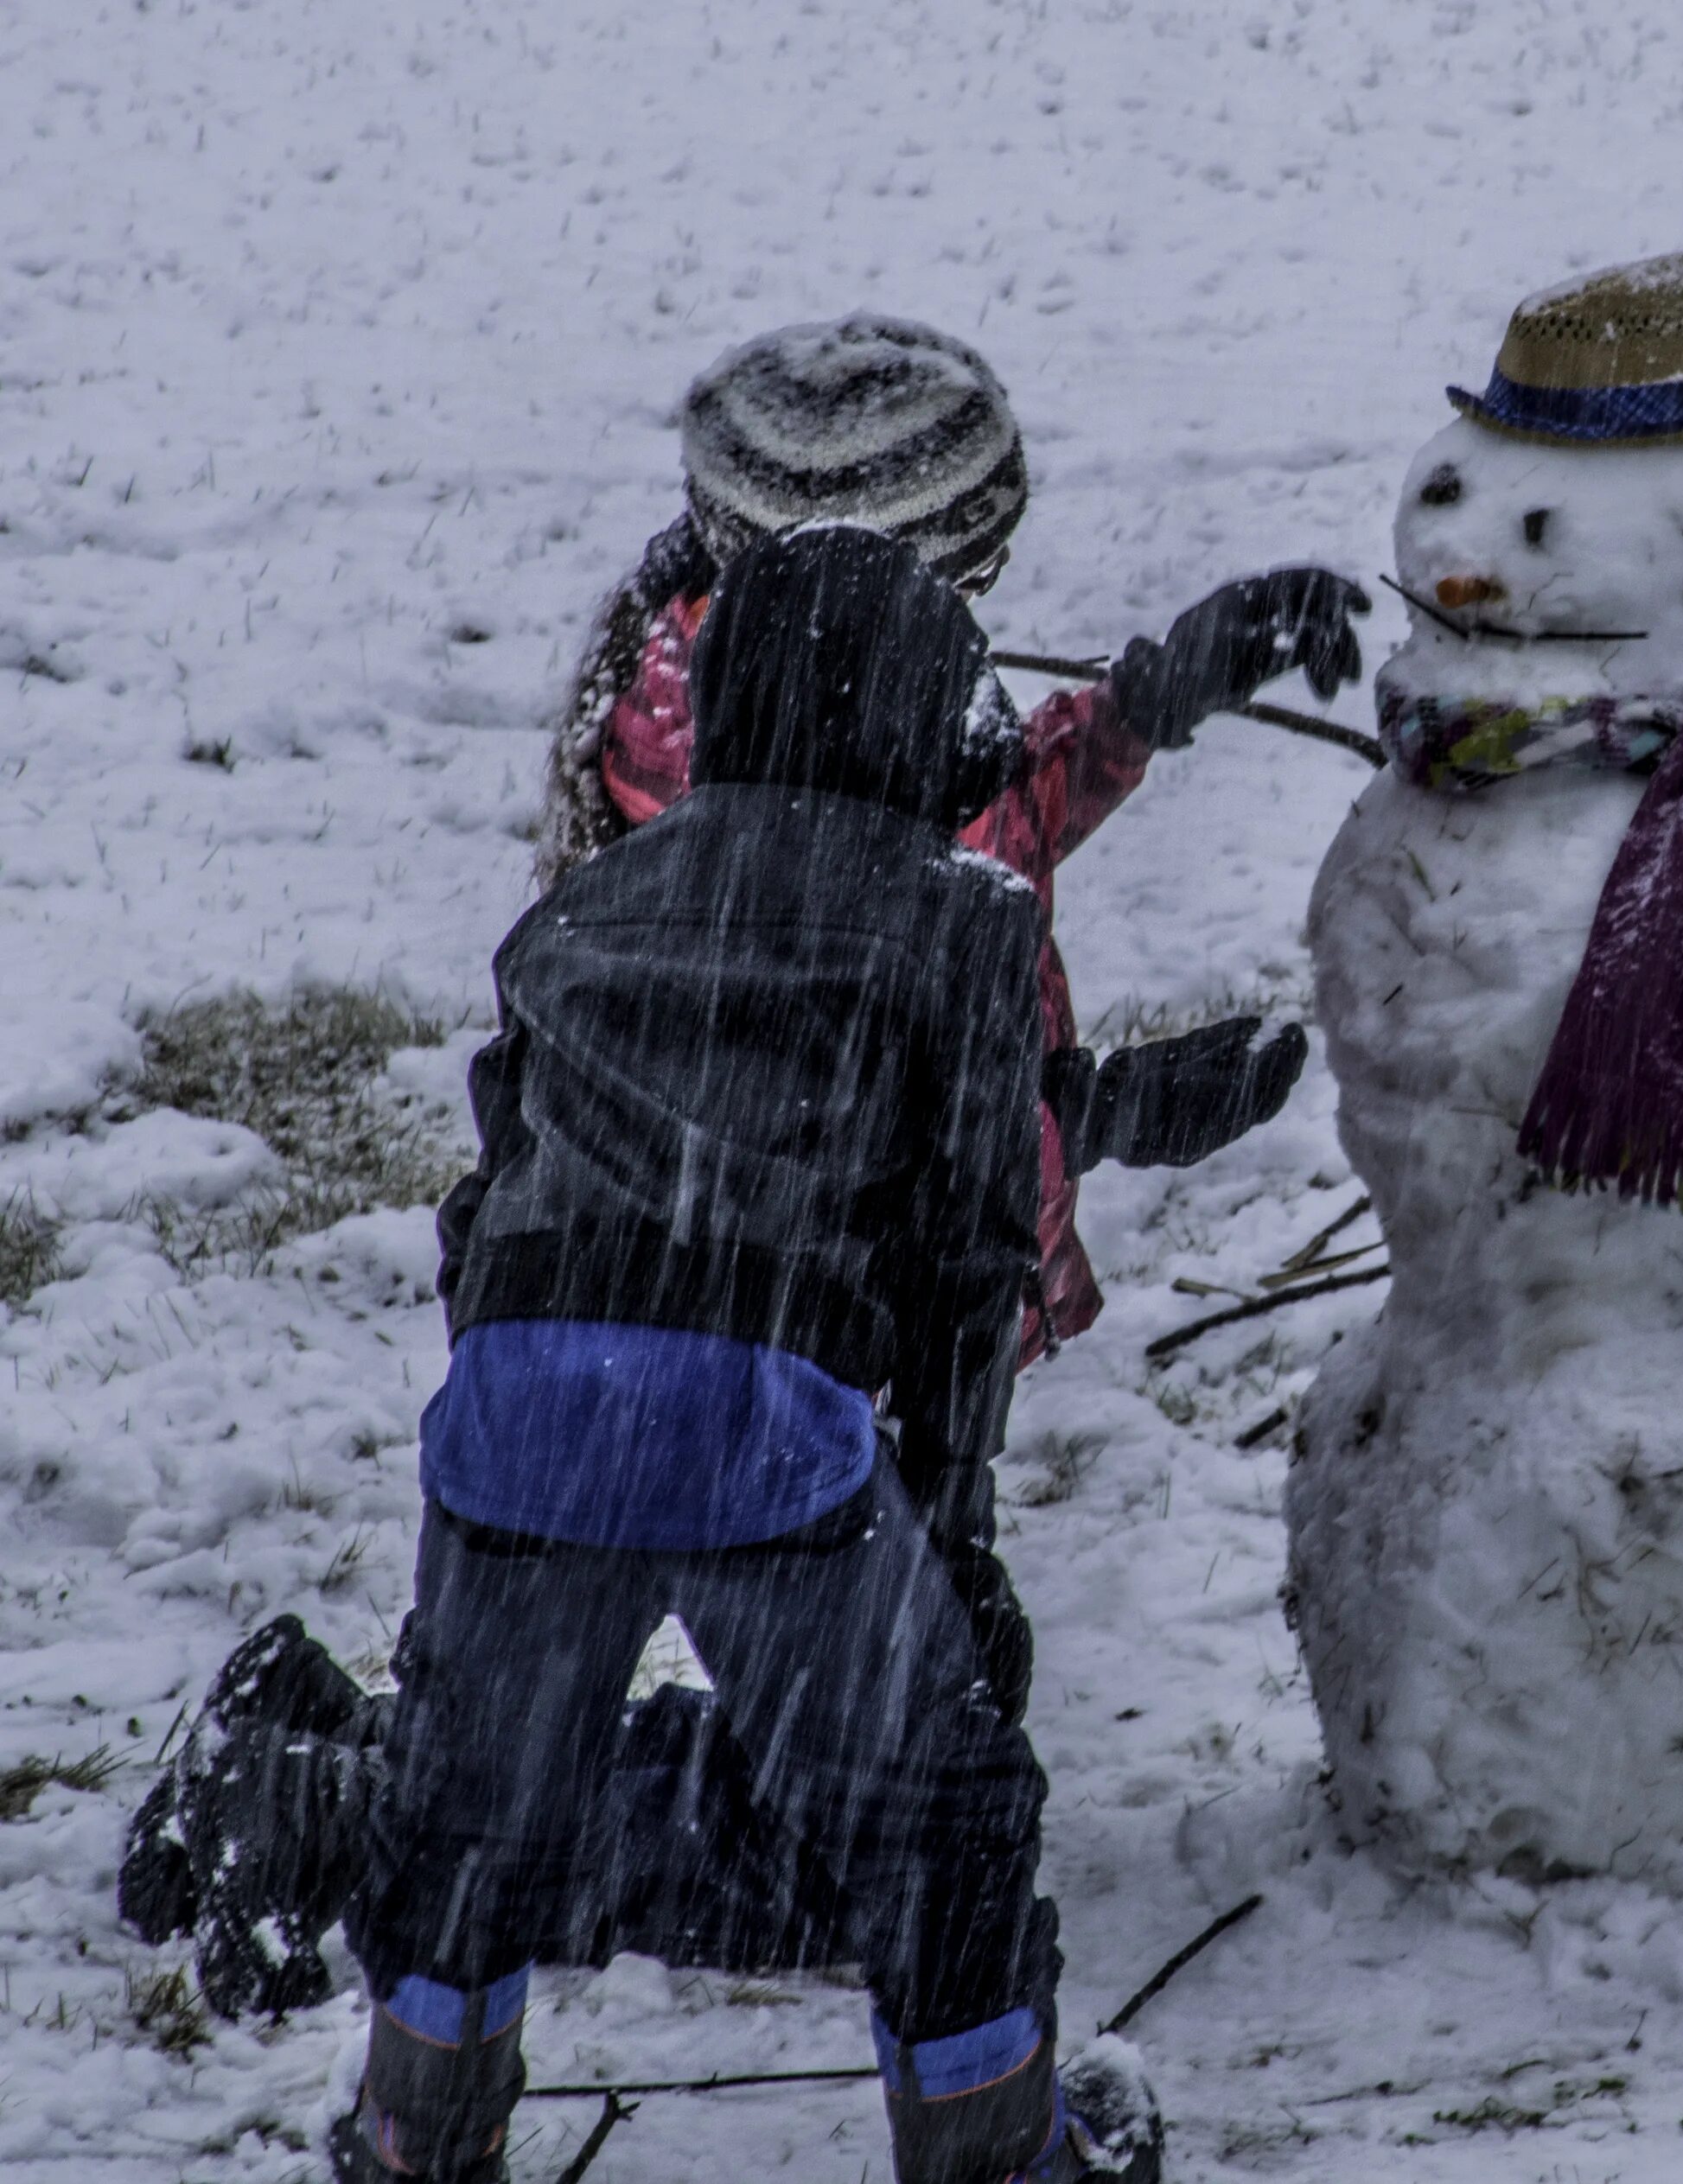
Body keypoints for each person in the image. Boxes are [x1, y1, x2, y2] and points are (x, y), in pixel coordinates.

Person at [335, 525, 1152, 2184]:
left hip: (514, 1397)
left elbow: (489, 1198)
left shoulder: (587, 906)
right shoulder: (960, 916)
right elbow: (966, 1250)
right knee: (940, 1807)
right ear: (926, 715)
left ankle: (419, 2133)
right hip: (755, 1405)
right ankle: (1002, 2153)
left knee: (471, 1801)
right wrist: (954, 1525)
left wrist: (522, 1416)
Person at [540, 311, 1365, 1364]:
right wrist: (1100, 1111)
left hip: (868, 1319)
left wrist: (1148, 704)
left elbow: (989, 829)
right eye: (965, 583)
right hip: (814, 1345)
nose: (976, 614)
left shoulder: (805, 689)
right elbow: (842, 1133)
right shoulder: (719, 765)